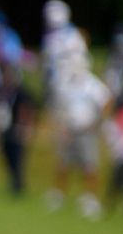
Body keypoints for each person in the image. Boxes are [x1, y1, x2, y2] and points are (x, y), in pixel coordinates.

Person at [47, 59, 111, 220]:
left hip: (86, 130)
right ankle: (59, 195)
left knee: (89, 164)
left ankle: (90, 199)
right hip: (69, 130)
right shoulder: (66, 83)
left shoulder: (92, 84)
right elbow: (60, 105)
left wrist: (97, 123)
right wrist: (61, 124)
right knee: (63, 162)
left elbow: (107, 102)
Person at [0, 62, 36, 198]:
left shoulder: (21, 92)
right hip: (3, 127)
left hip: (17, 127)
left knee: (17, 157)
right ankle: (12, 181)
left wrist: (27, 128)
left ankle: (18, 185)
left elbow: (28, 110)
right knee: (6, 155)